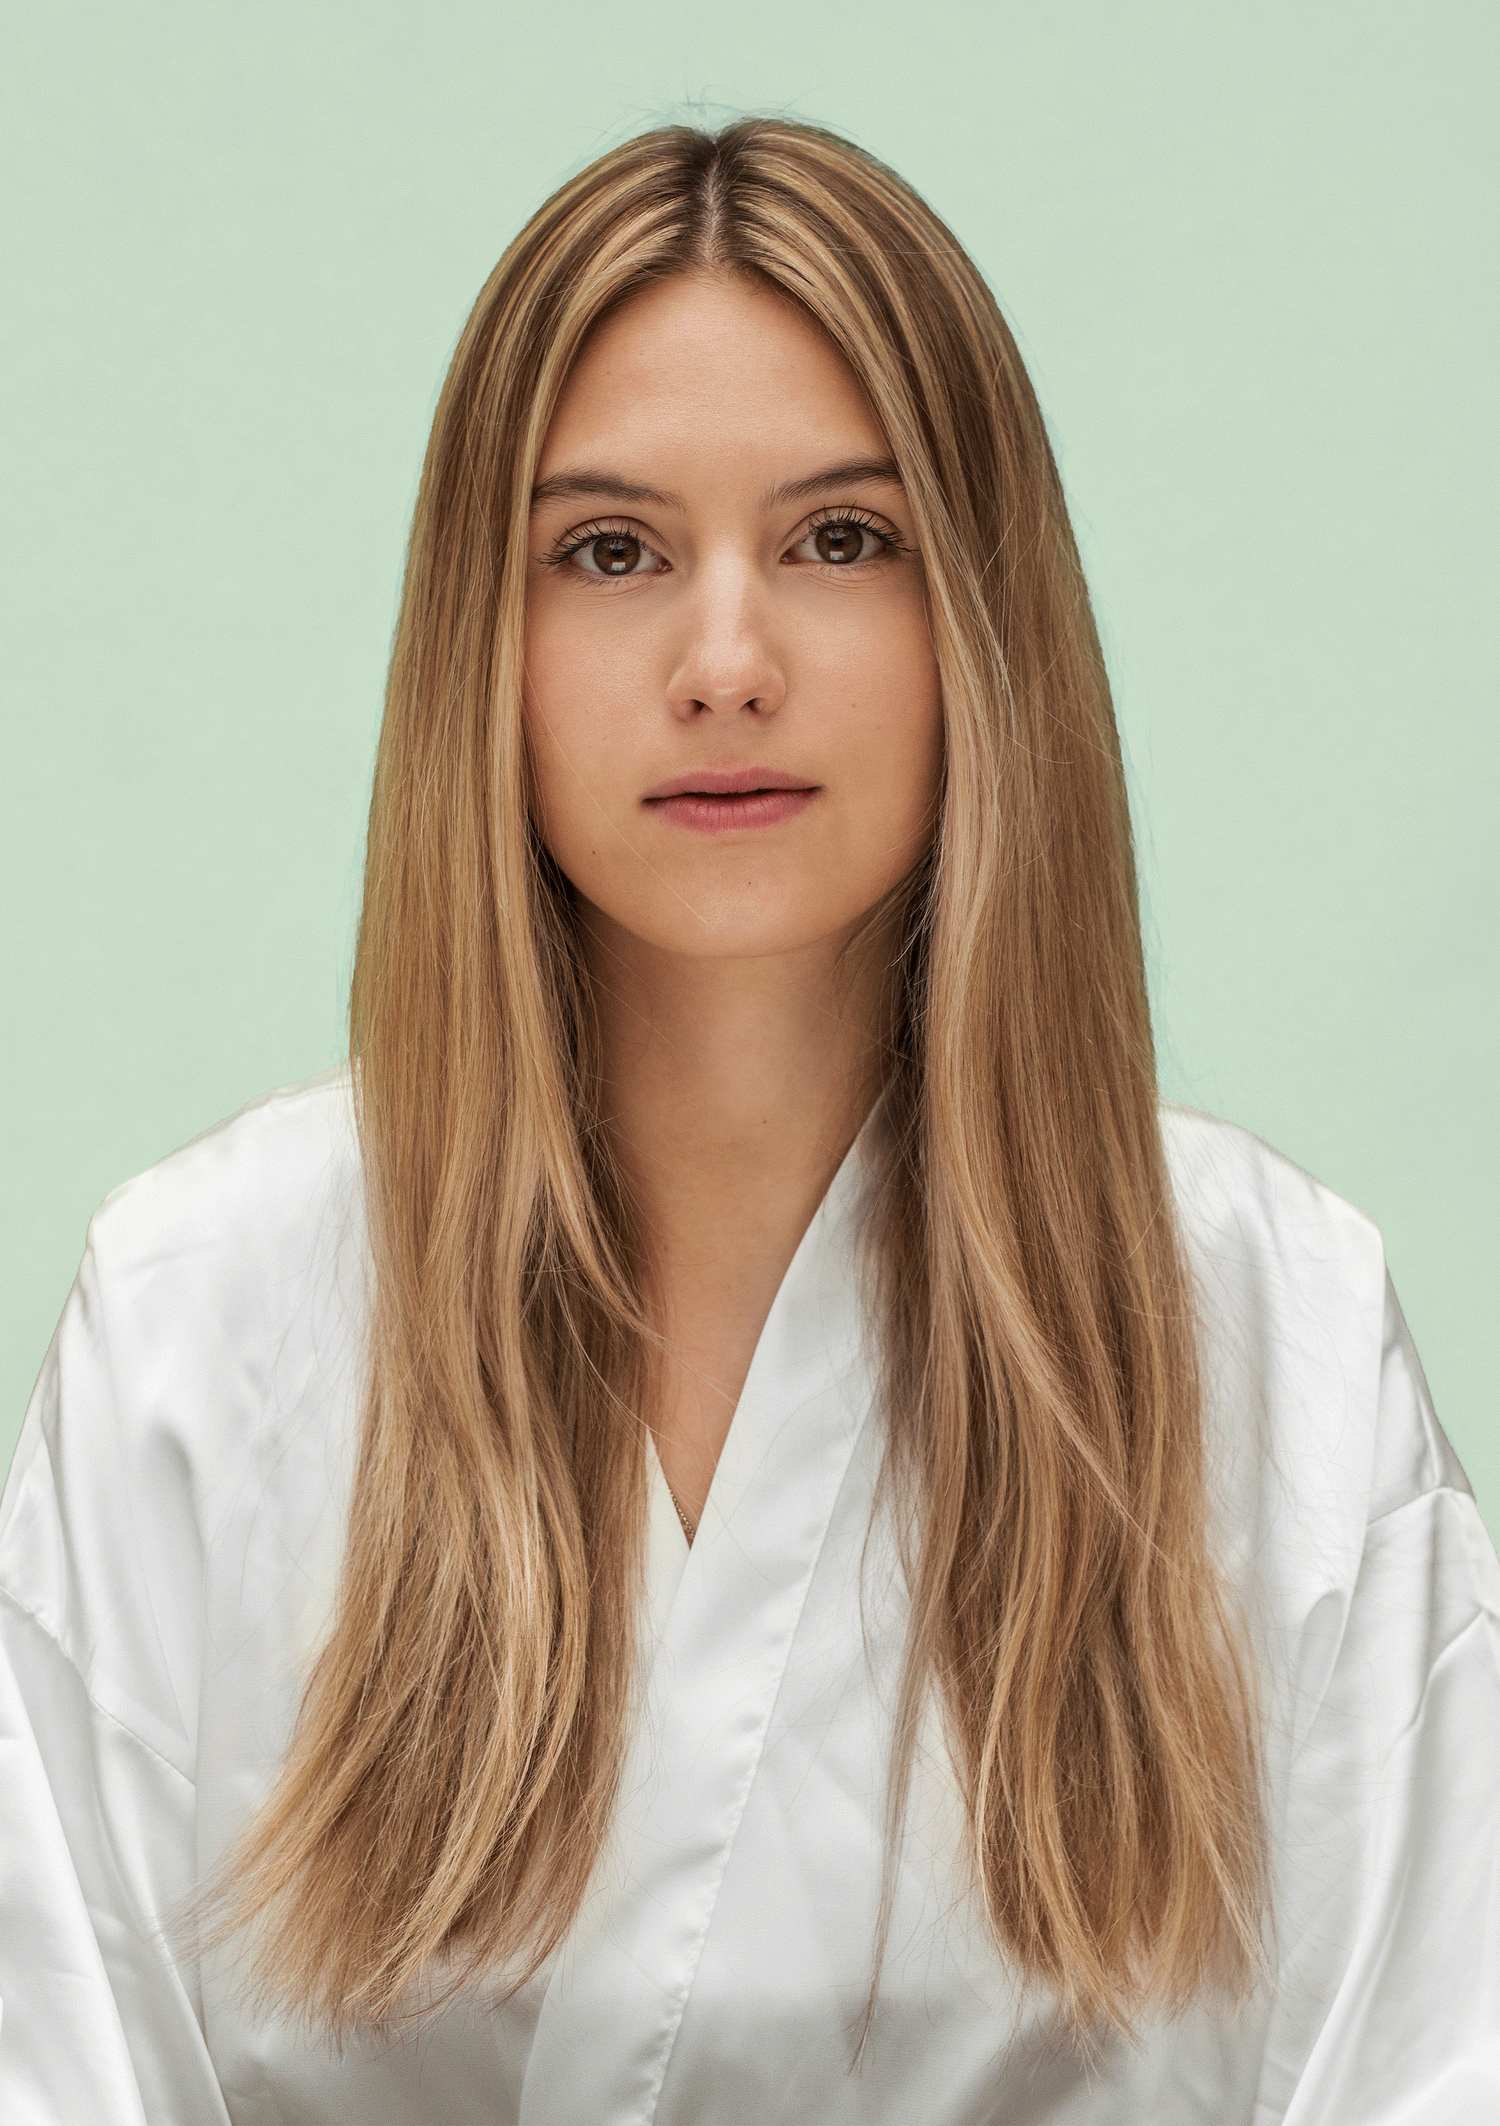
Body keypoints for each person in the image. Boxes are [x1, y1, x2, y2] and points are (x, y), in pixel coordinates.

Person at [1, 117, 1496, 2125]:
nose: (726, 662)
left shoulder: (1272, 1326)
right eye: (610, 551)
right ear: (488, 645)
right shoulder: (200, 1316)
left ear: (981, 623)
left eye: (839, 540)